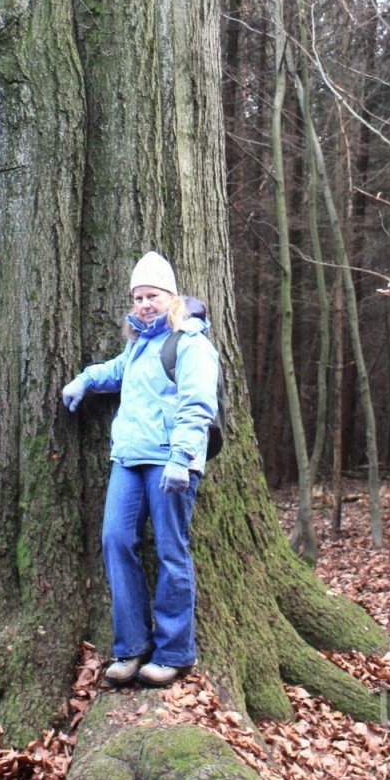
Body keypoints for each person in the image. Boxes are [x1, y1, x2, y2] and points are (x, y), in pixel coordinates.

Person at [61, 251, 220, 687]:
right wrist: (87, 379)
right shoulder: (139, 344)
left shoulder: (190, 342)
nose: (144, 303)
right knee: (116, 540)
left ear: (171, 296)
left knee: (171, 552)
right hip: (129, 459)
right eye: (138, 296)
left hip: (171, 463)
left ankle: (174, 652)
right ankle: (131, 646)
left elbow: (199, 405)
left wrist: (183, 459)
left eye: (152, 295)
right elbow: (116, 371)